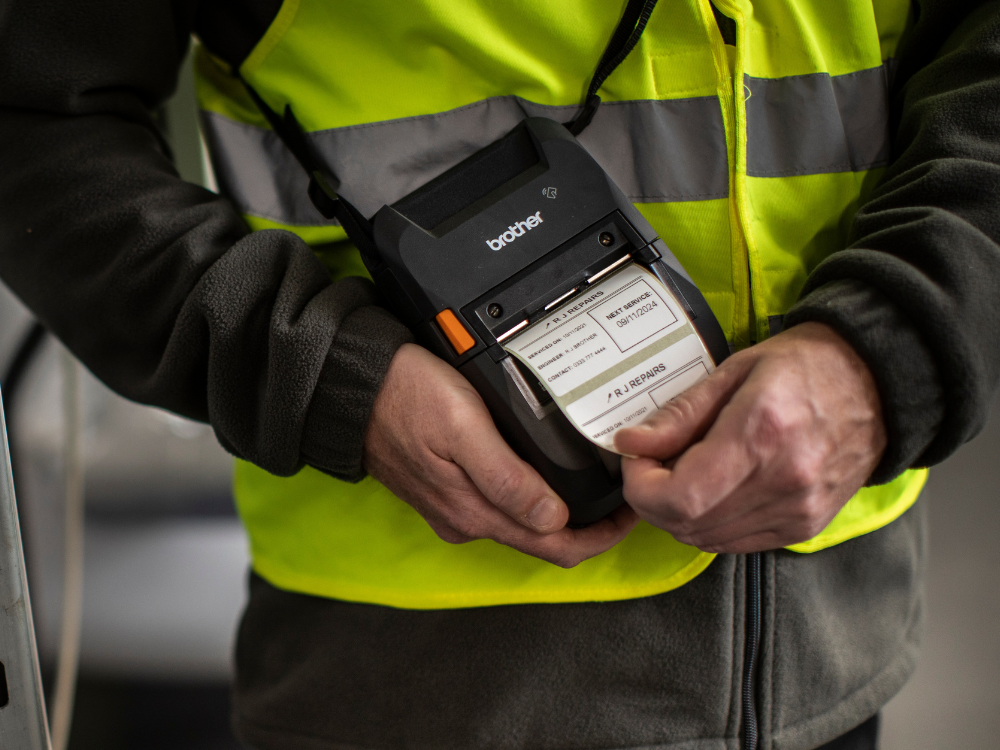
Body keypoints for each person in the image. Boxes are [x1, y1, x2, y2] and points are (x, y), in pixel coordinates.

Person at [1, 1, 998, 748]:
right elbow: (30, 118)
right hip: (421, 679)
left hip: (831, 654)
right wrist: (330, 373)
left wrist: (887, 353)